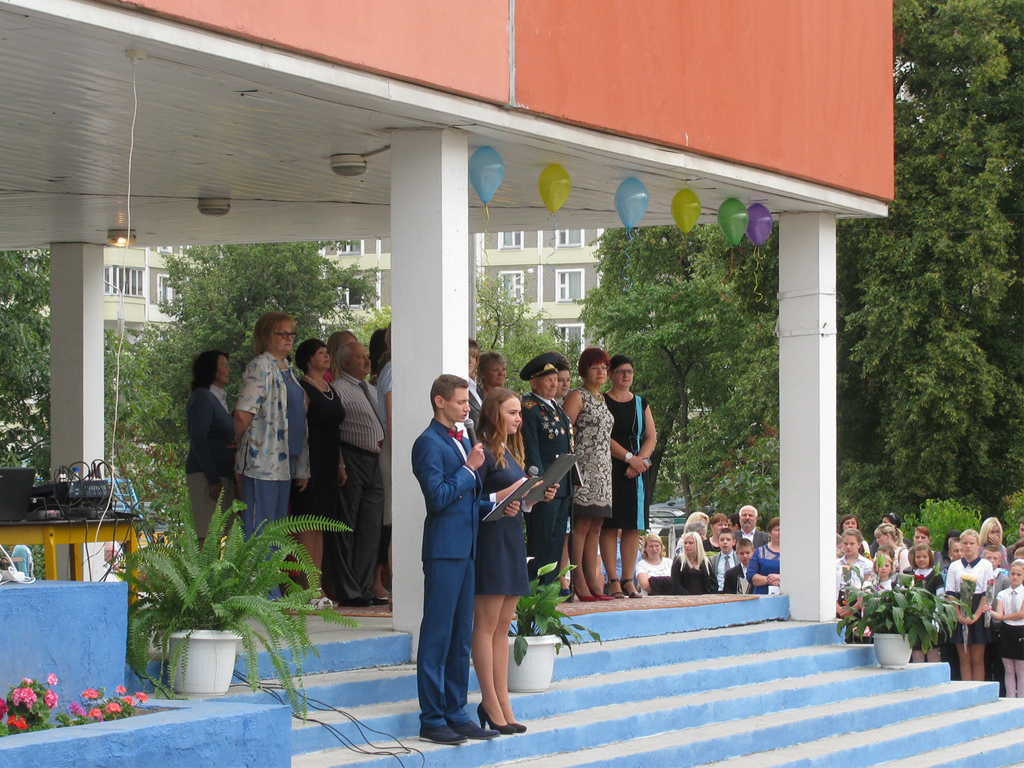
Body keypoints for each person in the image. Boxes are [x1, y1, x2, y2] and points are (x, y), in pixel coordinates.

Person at [411, 374, 498, 745]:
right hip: (444, 549)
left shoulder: (462, 439)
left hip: (467, 546)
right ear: (439, 402)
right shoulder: (427, 443)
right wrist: (469, 469)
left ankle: (456, 712)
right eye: (462, 402)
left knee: (461, 633)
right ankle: (432, 717)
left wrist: (497, 504)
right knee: (437, 634)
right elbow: (438, 497)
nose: (468, 407)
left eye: (467, 402)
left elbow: (467, 500)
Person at [472, 388, 556, 735]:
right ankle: (490, 701)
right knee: (487, 625)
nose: (518, 418)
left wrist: (535, 496)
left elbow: (516, 501)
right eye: (511, 412)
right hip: (490, 541)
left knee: (503, 626)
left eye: (519, 412)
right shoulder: (482, 450)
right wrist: (513, 491)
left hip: (510, 537)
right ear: (494, 413)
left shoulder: (511, 449)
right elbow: (474, 497)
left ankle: (503, 700)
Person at [233, 311, 309, 542]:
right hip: (262, 462)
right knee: (259, 532)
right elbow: (242, 415)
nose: (289, 338)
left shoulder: (286, 368)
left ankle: (270, 579)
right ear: (266, 335)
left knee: (274, 535)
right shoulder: (260, 366)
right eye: (282, 333)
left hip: (284, 463)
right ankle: (258, 580)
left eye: (292, 333)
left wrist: (302, 466)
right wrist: (240, 445)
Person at [290, 338, 346, 608]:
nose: (326, 356)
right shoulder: (303, 388)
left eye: (327, 351)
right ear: (308, 360)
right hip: (309, 461)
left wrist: (340, 463)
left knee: (322, 525)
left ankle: (318, 584)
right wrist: (301, 466)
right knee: (307, 522)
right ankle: (306, 586)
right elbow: (299, 428)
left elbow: (337, 430)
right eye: (320, 353)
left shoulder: (330, 388)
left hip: (328, 461)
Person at [330, 341, 386, 606]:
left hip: (376, 461)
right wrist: (340, 463)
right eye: (359, 357)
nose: (367, 361)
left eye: (367, 356)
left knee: (370, 527)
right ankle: (347, 590)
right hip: (352, 458)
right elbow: (334, 430)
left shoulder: (372, 389)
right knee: (346, 525)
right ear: (344, 363)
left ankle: (364, 588)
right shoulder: (338, 390)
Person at [563, 347, 615, 600]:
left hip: (604, 470)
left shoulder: (603, 398)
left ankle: (594, 581)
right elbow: (564, 431)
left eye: (604, 367)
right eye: (595, 367)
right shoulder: (578, 395)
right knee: (582, 524)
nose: (601, 372)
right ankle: (579, 581)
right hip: (583, 468)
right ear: (585, 370)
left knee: (596, 524)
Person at [603, 354, 656, 599]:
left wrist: (641, 461)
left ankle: (628, 579)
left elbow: (651, 437)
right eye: (621, 371)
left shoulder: (640, 403)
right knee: (610, 525)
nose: (626, 376)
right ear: (611, 374)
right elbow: (603, 435)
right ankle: (612, 579)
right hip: (610, 468)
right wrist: (628, 458)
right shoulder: (602, 401)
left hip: (636, 472)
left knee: (633, 526)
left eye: (630, 372)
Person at [519, 353, 574, 587]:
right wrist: (539, 484)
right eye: (548, 379)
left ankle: (549, 592)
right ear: (534, 382)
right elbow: (532, 450)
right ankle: (535, 592)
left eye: (556, 379)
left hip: (561, 485)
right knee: (540, 543)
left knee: (555, 543)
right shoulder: (530, 408)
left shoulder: (556, 409)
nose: (554, 384)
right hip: (544, 487)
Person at [184, 349, 236, 547]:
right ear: (211, 370)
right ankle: (204, 578)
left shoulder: (217, 398)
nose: (229, 370)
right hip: (207, 476)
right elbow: (198, 440)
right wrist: (212, 478)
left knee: (220, 533)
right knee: (207, 535)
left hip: (222, 474)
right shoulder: (202, 398)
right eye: (224, 366)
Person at [946, 529, 994, 681]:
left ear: (978, 545)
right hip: (959, 608)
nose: (968, 546)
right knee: (964, 659)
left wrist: (976, 615)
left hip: (977, 610)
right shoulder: (954, 566)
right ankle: (966, 690)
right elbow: (950, 593)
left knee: (977, 659)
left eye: (971, 543)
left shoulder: (986, 565)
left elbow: (987, 593)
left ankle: (978, 691)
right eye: (965, 543)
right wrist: (959, 614)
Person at [987, 560, 1024, 697]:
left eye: (1019, 574)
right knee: (1008, 669)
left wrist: (1002, 617)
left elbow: (1021, 614)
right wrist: (989, 611)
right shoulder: (1002, 594)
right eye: (1012, 573)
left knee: (1021, 670)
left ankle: (1021, 699)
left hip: (1020, 630)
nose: (1015, 577)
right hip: (1006, 631)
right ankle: (1010, 697)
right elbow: (998, 614)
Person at [905, 543, 944, 662]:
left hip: (931, 619)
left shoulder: (936, 576)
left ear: (930, 558)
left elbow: (940, 599)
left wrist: (934, 625)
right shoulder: (909, 576)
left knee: (933, 653)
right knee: (917, 654)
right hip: (915, 621)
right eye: (918, 557)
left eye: (924, 557)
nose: (921, 560)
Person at [662, 531, 714, 595]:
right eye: (685, 543)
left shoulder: (706, 561)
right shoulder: (678, 561)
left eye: (690, 543)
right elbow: (675, 584)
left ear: (698, 544)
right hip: (684, 599)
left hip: (704, 599)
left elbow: (713, 583)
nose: (687, 546)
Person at [836, 529, 872, 618]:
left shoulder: (866, 564)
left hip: (857, 601)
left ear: (859, 545)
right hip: (839, 599)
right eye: (846, 544)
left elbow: (867, 587)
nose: (848, 547)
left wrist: (853, 609)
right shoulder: (836, 563)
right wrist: (838, 608)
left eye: (852, 544)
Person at [747, 517, 781, 595]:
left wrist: (779, 577)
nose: (779, 533)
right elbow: (750, 575)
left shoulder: (792, 553)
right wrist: (769, 580)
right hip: (762, 595)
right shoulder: (759, 552)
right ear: (769, 533)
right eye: (776, 530)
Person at [709, 528, 738, 593]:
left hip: (735, 593)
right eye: (722, 540)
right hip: (718, 593)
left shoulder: (739, 559)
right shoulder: (713, 560)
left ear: (734, 542)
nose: (725, 542)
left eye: (728, 540)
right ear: (718, 542)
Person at [467, 339, 482, 425]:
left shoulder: (476, 388)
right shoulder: (454, 387)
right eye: (467, 355)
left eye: (474, 357)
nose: (470, 361)